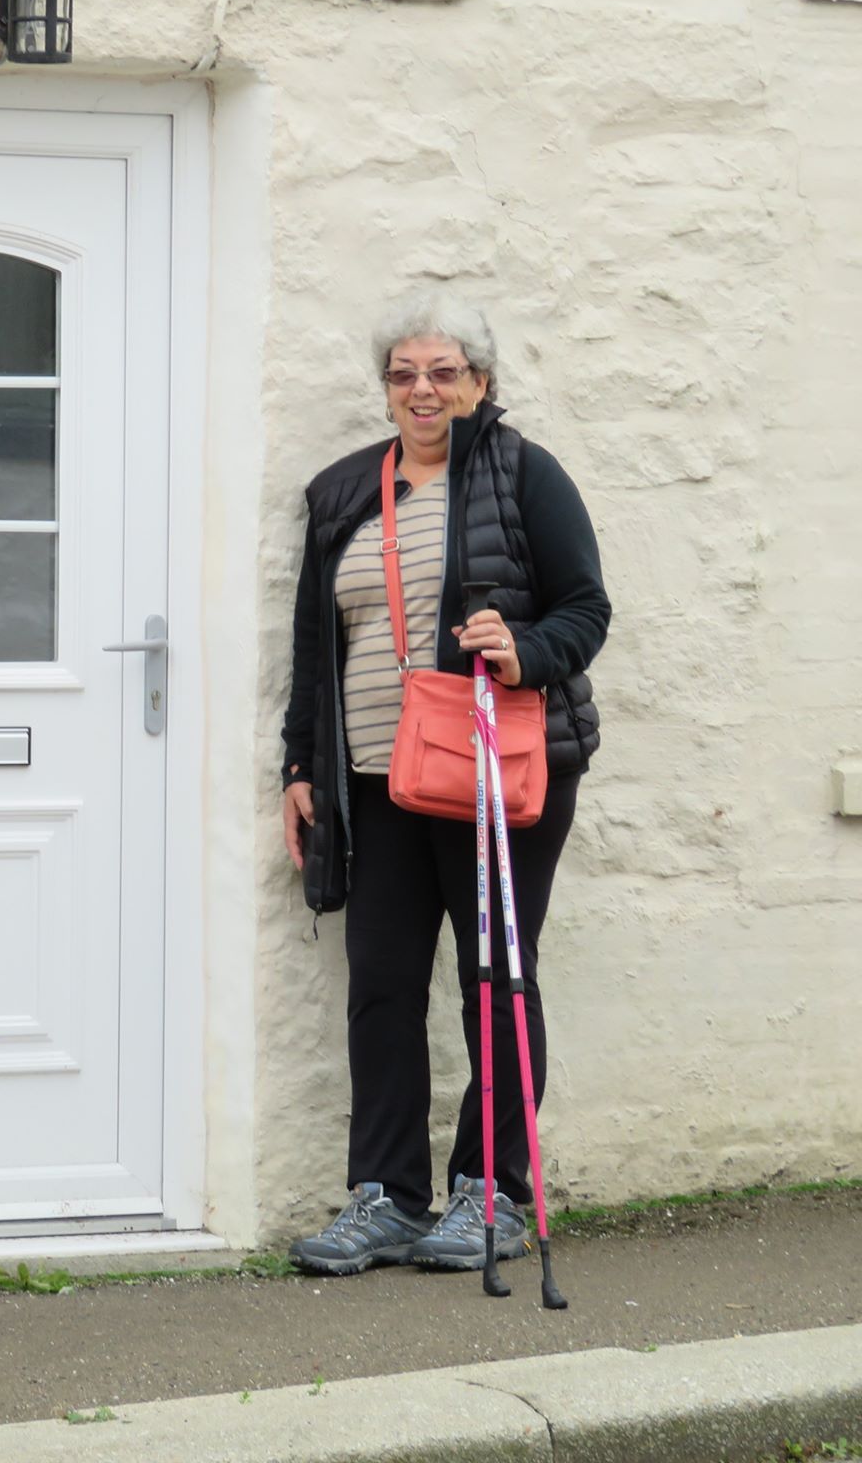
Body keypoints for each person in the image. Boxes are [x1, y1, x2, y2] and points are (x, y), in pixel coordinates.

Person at [278, 291, 608, 1277]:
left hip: (493, 775)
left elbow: (584, 607)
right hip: (376, 781)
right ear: (384, 388)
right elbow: (313, 645)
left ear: (479, 383)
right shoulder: (342, 492)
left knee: (493, 983)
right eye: (402, 374)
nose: (422, 390)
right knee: (378, 985)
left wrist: (521, 651)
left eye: (443, 372)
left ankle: (492, 1193)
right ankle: (383, 1197)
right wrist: (300, 766)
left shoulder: (521, 476)